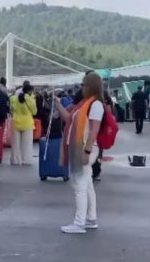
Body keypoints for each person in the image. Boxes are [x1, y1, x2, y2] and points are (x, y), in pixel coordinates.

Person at [54, 72, 104, 234]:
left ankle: (79, 222)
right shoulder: (84, 104)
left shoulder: (94, 105)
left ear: (91, 85)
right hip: (80, 147)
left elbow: (94, 130)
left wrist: (87, 151)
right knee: (87, 185)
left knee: (79, 186)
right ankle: (90, 219)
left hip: (83, 148)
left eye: (83, 84)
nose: (81, 87)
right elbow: (70, 119)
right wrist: (58, 105)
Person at [9, 82, 37, 166]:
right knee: (27, 144)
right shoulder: (31, 100)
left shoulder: (14, 99)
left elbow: (11, 109)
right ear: (30, 91)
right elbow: (34, 112)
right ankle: (26, 160)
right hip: (27, 123)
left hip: (16, 122)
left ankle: (15, 160)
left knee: (15, 144)